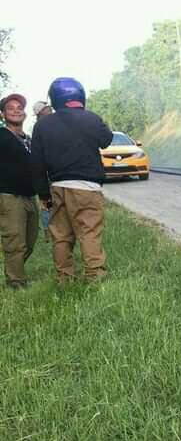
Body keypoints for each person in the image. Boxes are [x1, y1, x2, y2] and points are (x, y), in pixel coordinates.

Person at [31, 77, 113, 283]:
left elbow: (37, 164)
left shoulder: (42, 125)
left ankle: (64, 278)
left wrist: (44, 194)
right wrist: (93, 120)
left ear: (55, 99)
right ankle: (95, 278)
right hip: (88, 188)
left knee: (61, 236)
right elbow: (106, 140)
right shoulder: (91, 118)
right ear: (80, 95)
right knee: (90, 233)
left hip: (58, 187)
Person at [0, 93, 39, 289]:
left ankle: (15, 272)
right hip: (9, 196)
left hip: (30, 196)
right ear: (2, 114)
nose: (16, 110)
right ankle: (15, 282)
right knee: (15, 241)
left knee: (30, 241)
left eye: (19, 107)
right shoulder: (1, 136)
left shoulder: (28, 140)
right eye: (10, 107)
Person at [33, 101, 53, 241]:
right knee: (46, 203)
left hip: (55, 171)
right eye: (46, 109)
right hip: (46, 173)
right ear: (40, 113)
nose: (50, 110)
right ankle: (48, 232)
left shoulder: (54, 124)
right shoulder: (39, 127)